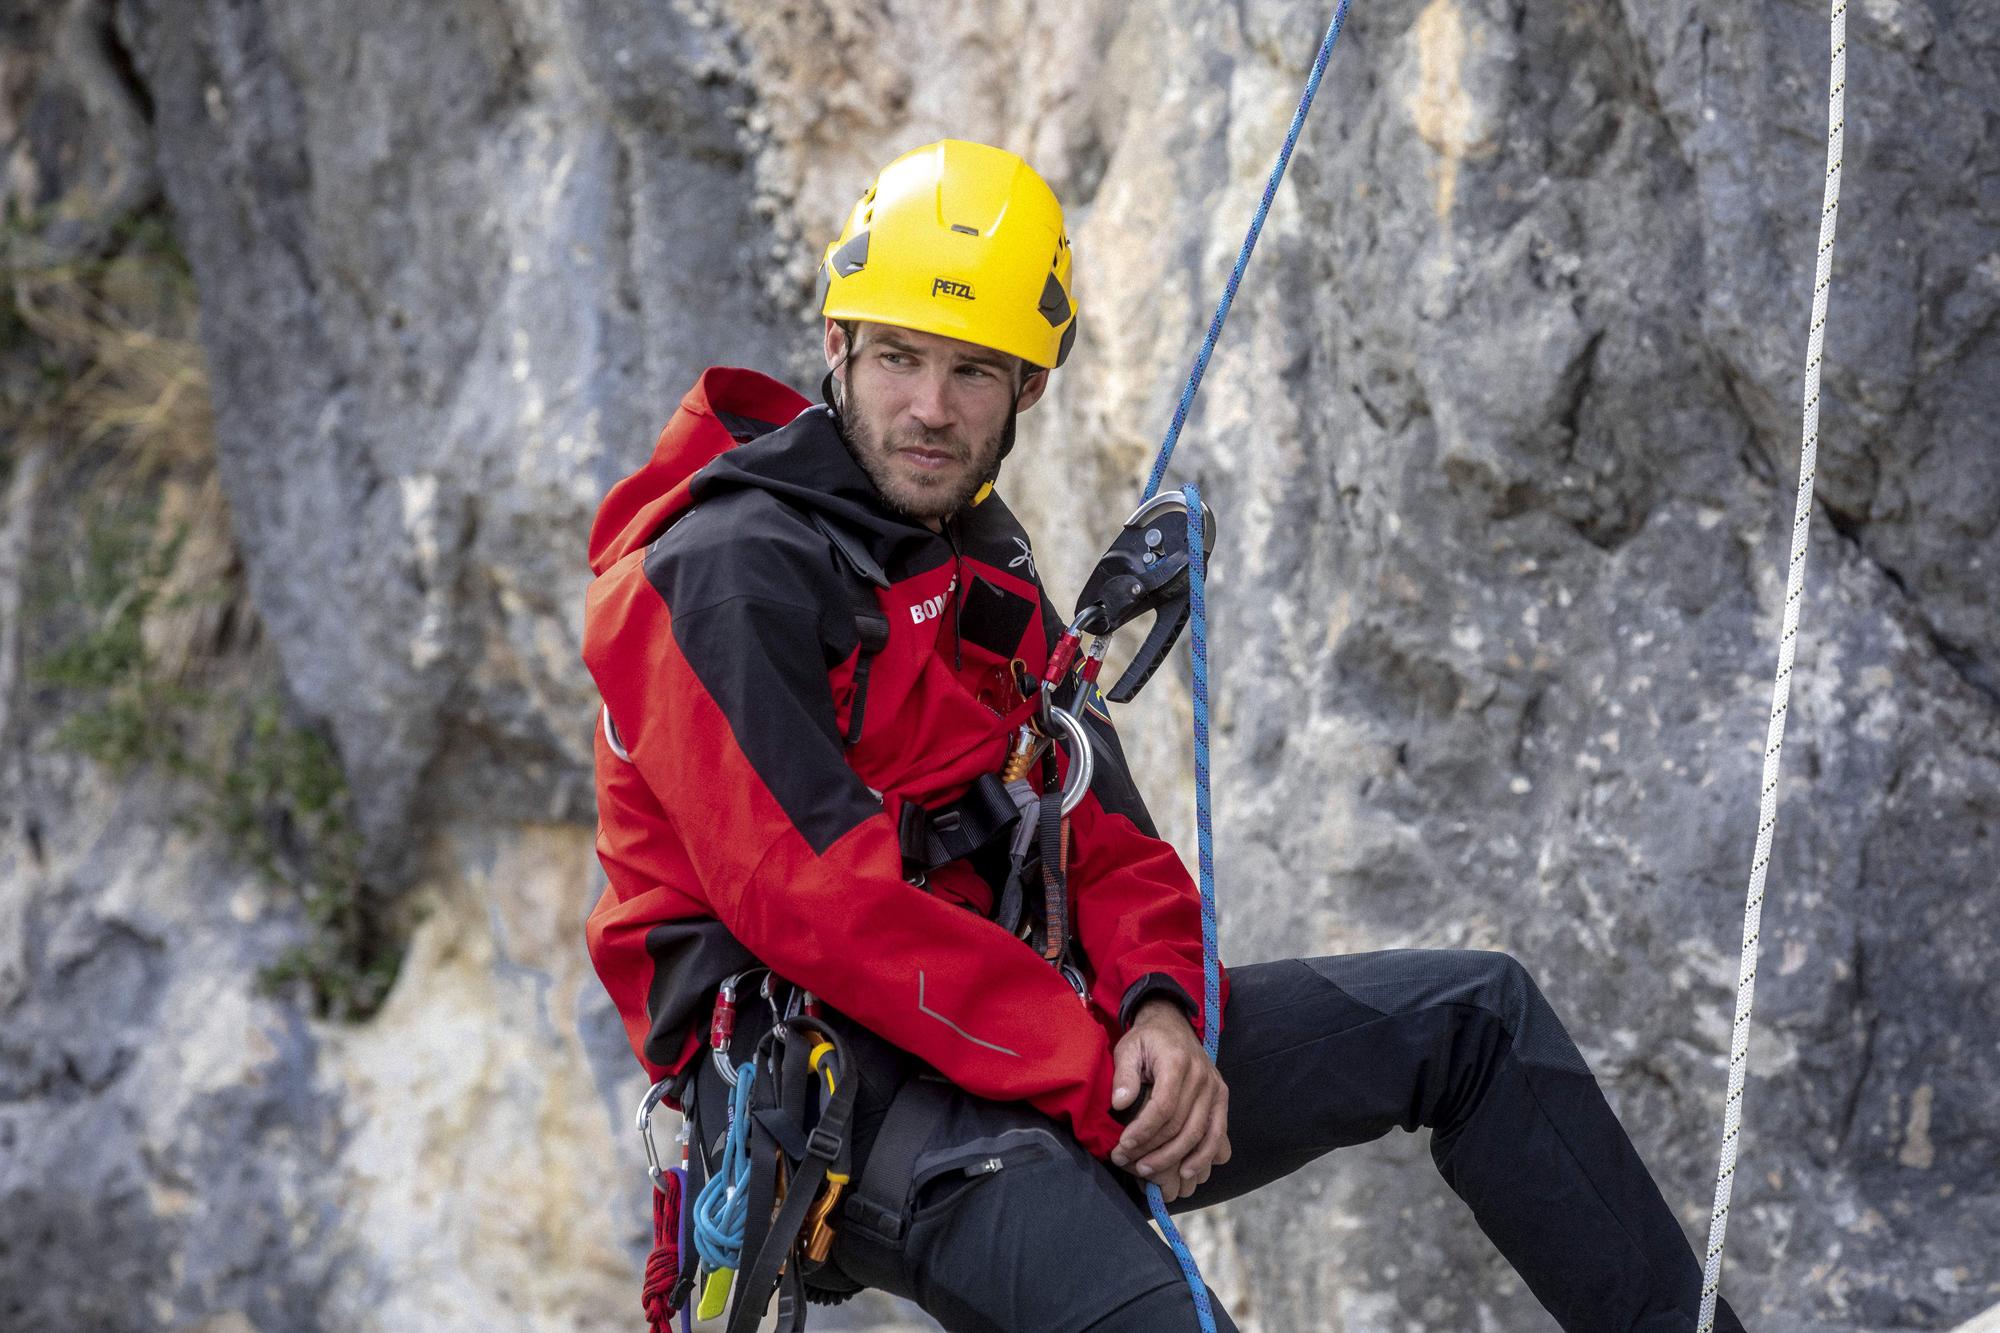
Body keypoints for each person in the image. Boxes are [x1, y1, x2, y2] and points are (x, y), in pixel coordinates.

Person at [581, 138, 1746, 1331]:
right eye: (895, 358)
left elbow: (1096, 824)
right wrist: (1096, 1074)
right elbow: (822, 908)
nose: (928, 408)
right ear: (836, 346)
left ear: (1028, 389)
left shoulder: (970, 553)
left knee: (1472, 1019)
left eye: (973, 372)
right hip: (847, 1084)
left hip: (1027, 1032)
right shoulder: (723, 577)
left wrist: (1157, 1011)